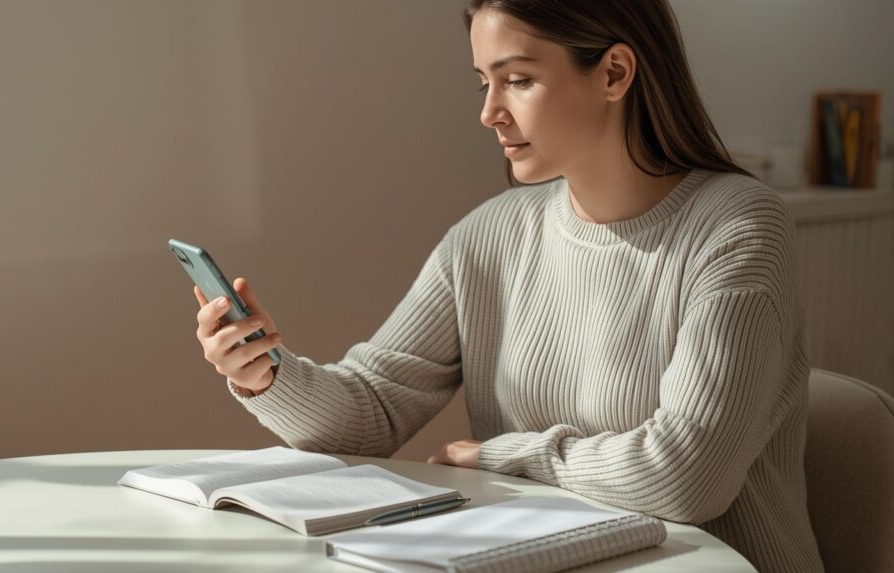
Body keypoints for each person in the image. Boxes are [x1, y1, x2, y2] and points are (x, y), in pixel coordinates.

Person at [192, 1, 823, 571]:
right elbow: (374, 411)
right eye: (484, 82)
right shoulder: (491, 235)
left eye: (518, 80)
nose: (489, 112)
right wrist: (265, 374)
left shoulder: (738, 227)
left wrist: (505, 456)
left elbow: (688, 478)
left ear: (614, 74)